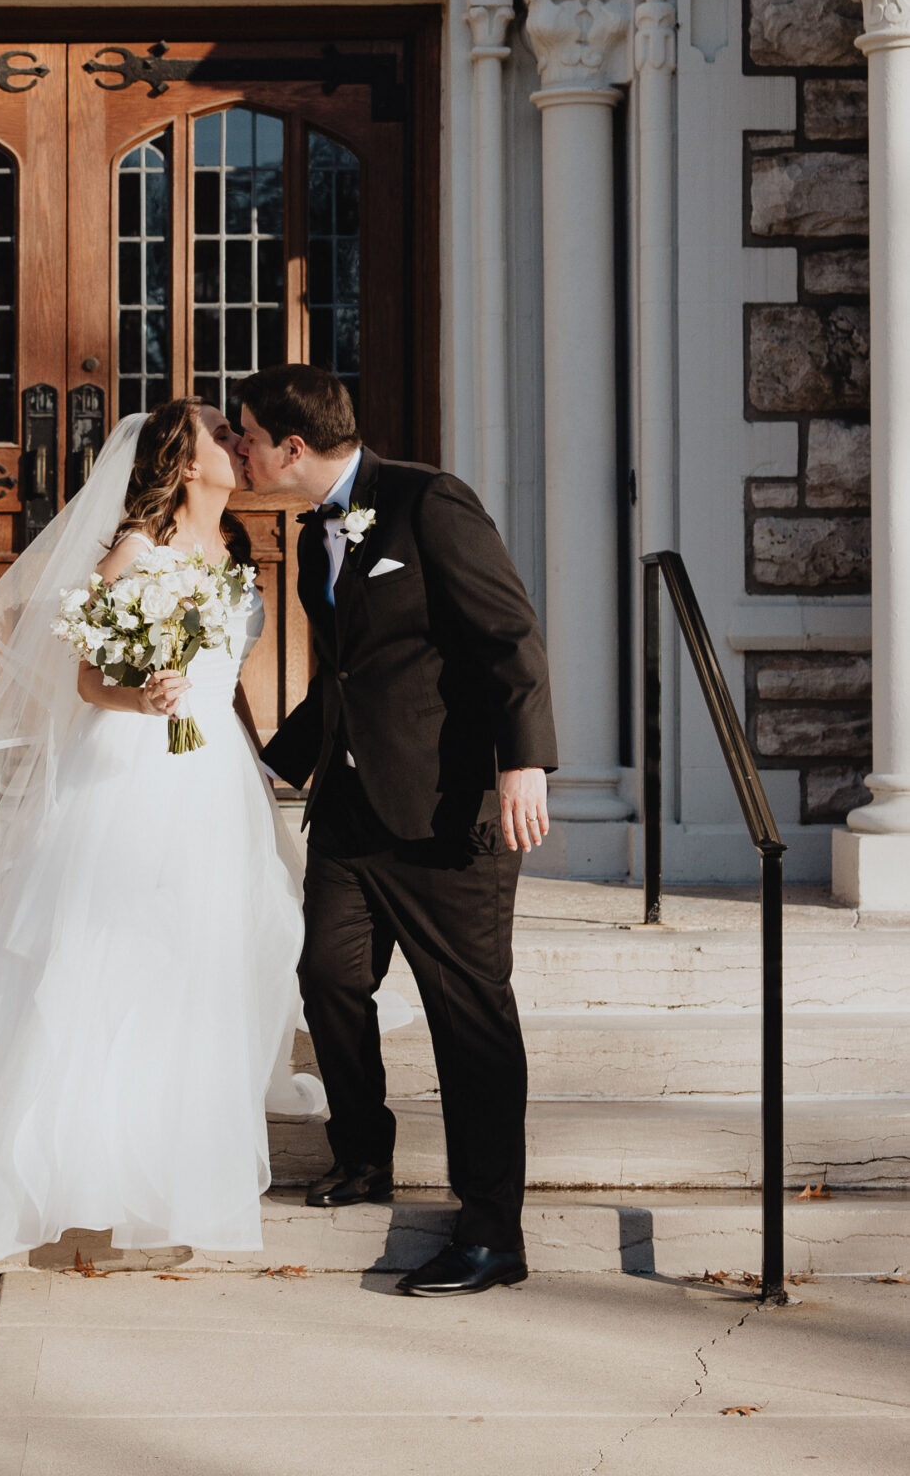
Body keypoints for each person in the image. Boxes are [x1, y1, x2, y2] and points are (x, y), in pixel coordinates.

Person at [0, 399, 406, 1262]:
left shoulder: (242, 552)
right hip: (129, 769)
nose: (237, 444)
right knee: (108, 955)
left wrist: (255, 761)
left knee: (201, 956)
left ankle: (171, 1161)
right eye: (220, 435)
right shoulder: (133, 553)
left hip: (213, 773)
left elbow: (226, 679)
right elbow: (84, 683)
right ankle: (76, 1168)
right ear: (183, 464)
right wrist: (140, 695)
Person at [236, 363, 558, 1299]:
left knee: (471, 1021)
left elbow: (509, 636)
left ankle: (493, 1232)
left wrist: (522, 760)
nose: (241, 450)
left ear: (292, 448)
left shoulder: (428, 502)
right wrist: (266, 759)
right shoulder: (310, 538)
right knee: (329, 977)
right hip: (348, 811)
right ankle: (362, 1153)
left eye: (248, 436)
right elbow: (348, 674)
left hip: (447, 814)